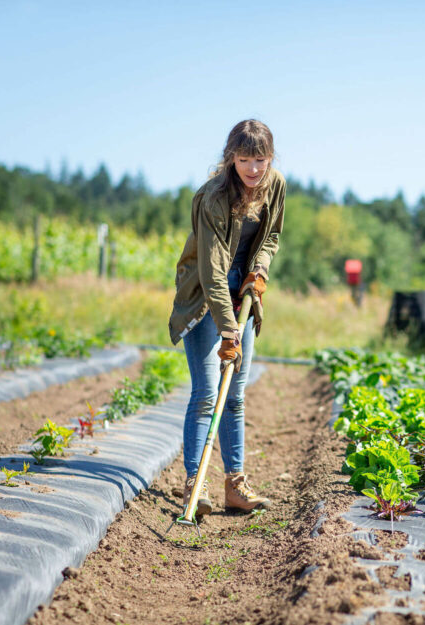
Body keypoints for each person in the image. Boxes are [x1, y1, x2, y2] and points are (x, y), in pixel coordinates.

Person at [168, 119, 285, 515]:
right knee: (205, 393)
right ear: (230, 158)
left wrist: (259, 272)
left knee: (235, 394)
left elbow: (271, 237)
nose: (254, 169)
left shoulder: (275, 185)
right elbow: (212, 271)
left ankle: (235, 484)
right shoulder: (211, 198)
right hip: (205, 291)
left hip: (244, 290)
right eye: (245, 159)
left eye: (261, 159)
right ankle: (193, 487)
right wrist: (228, 328)